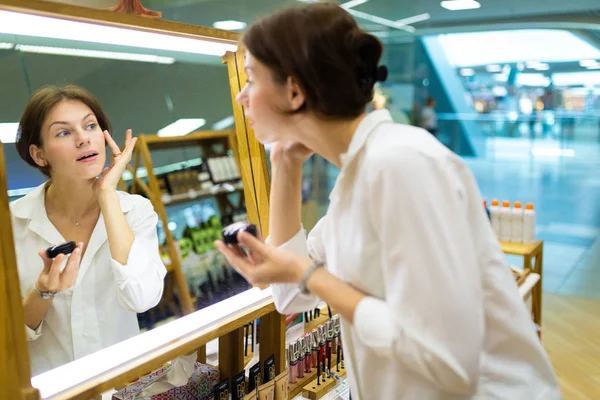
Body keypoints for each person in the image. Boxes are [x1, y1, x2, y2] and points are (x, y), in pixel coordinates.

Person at [215, 3, 561, 400]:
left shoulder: (400, 164)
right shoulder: (357, 177)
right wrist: (285, 163)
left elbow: (448, 361)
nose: (241, 97)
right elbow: (290, 295)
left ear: (294, 91)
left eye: (251, 79)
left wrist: (307, 273)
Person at [12, 85, 166, 375]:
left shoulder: (135, 211)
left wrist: (108, 195)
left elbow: (143, 298)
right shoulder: (11, 223)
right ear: (39, 154)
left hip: (124, 387)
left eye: (90, 125)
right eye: (63, 132)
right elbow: (9, 336)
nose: (83, 138)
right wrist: (42, 293)